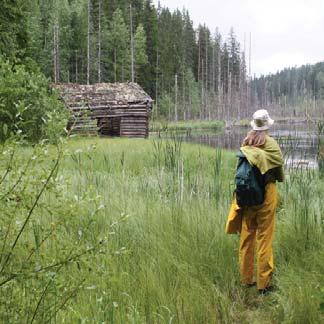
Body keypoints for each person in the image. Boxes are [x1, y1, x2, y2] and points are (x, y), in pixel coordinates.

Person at [227, 109, 284, 294]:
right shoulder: (271, 144)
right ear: (267, 125)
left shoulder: (246, 142)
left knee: (247, 237)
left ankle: (246, 280)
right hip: (266, 195)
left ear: (254, 124)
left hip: (247, 198)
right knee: (264, 239)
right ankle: (264, 285)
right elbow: (278, 171)